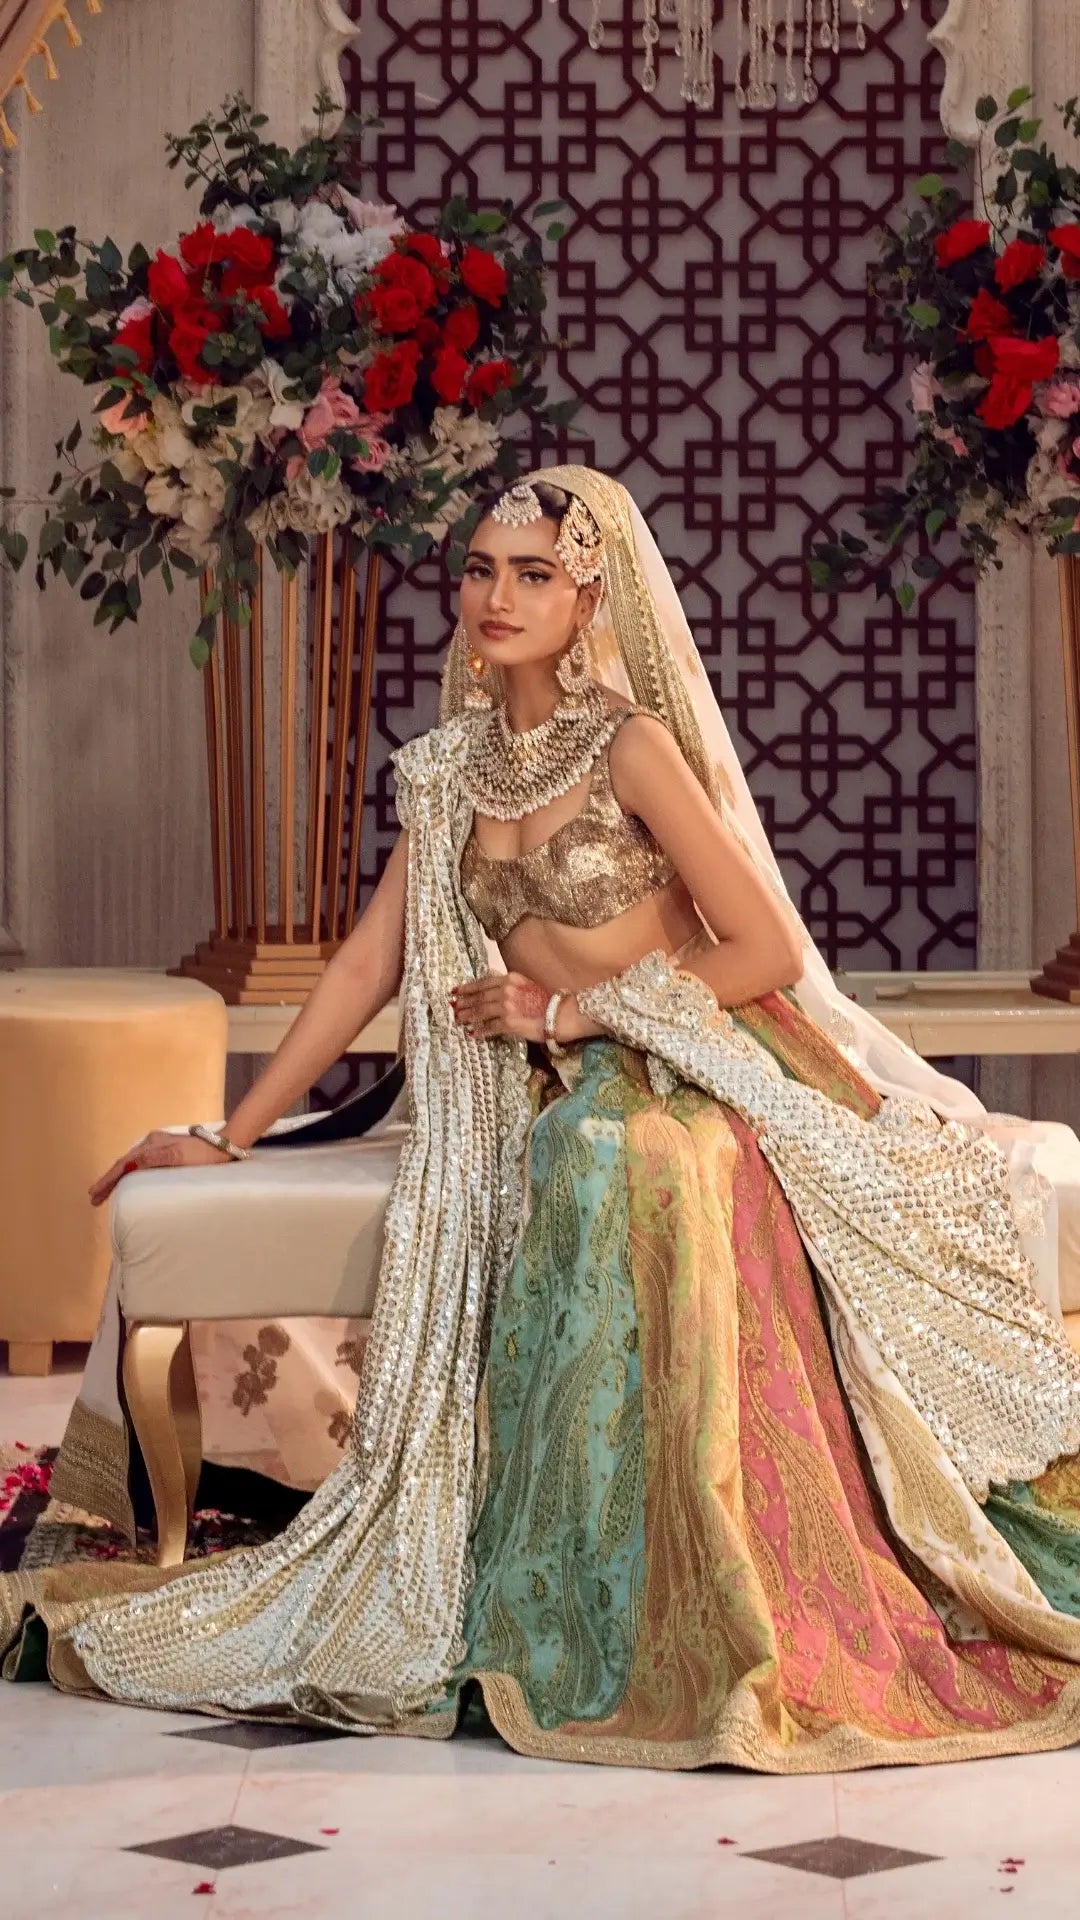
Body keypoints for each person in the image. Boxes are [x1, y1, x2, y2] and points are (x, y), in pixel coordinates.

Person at [4, 464, 1080, 1771]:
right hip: (520, 1074)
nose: (494, 596)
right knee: (572, 1140)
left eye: (531, 574)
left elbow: (761, 955)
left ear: (588, 600)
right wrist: (228, 1134)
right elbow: (361, 969)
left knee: (615, 1152)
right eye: (477, 569)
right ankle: (550, 1574)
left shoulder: (632, 745)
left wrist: (582, 1022)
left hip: (685, 1049)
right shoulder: (447, 771)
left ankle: (669, 1581)